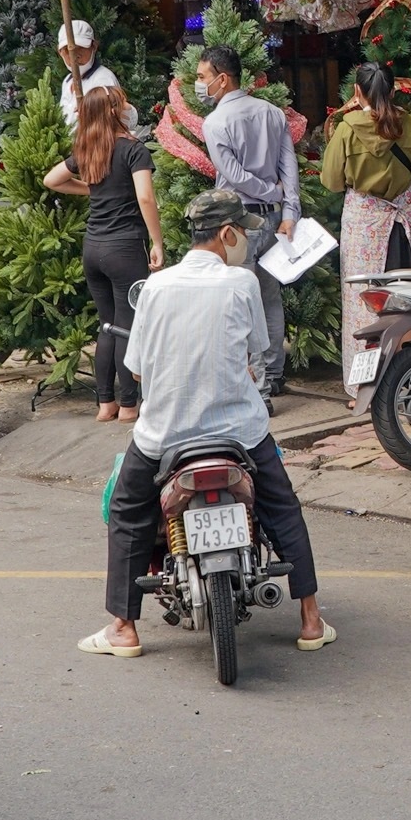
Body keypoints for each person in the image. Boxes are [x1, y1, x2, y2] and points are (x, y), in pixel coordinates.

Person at [82, 191, 332, 657]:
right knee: (282, 508)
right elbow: (258, 351)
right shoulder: (242, 284)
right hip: (239, 433)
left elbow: (135, 368)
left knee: (128, 514)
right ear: (226, 234)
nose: (246, 241)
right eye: (243, 232)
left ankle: (123, 627)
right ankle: (311, 619)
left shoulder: (155, 288)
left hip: (164, 436)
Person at [322, 63, 411, 404]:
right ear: (393, 91)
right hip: (406, 224)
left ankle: (365, 387)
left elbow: (330, 181)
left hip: (365, 227)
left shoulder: (347, 129)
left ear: (356, 93)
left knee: (364, 306)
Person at [45, 83, 163, 422]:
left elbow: (51, 179)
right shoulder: (134, 150)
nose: (128, 107)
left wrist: (91, 191)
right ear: (115, 111)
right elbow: (145, 198)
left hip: (93, 248)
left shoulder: (86, 148)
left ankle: (105, 404)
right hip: (125, 248)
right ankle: (129, 406)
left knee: (107, 324)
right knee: (129, 326)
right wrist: (157, 242)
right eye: (123, 103)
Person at [197, 43, 300, 396]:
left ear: (222, 79)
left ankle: (259, 387)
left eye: (202, 77)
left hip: (238, 224)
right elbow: (290, 168)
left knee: (243, 302)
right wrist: (288, 210)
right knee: (269, 299)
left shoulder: (215, 123)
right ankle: (272, 373)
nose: (199, 84)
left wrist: (271, 194)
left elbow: (234, 176)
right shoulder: (273, 113)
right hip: (273, 222)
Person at [55, 20, 130, 131]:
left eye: (80, 47)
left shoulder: (104, 80)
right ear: (60, 52)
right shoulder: (67, 81)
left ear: (93, 46)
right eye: (67, 50)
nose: (75, 55)